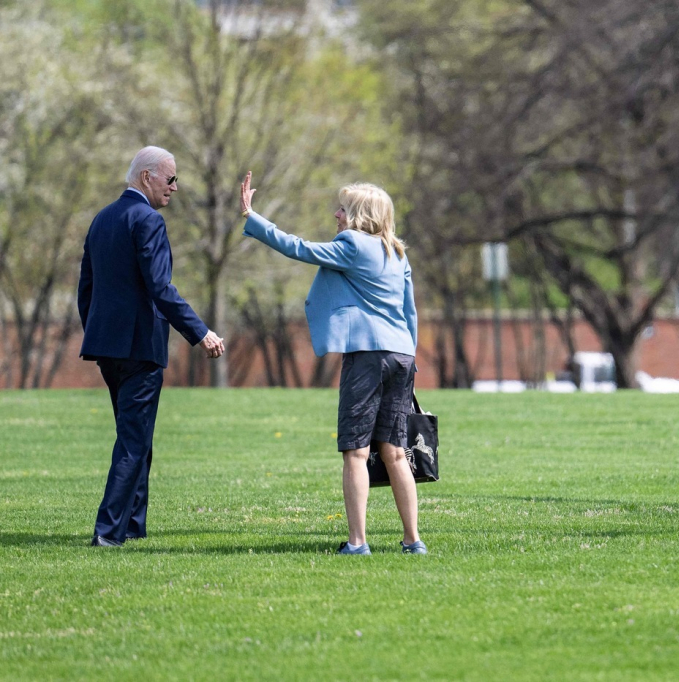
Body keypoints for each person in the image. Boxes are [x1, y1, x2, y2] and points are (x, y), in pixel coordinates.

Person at [238, 172, 425, 555]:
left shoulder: (353, 245)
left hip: (368, 356)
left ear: (358, 214)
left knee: (356, 451)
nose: (336, 214)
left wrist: (253, 217)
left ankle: (358, 542)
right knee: (394, 451)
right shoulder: (397, 252)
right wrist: (409, 360)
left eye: (342, 208)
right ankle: (412, 541)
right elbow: (411, 312)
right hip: (402, 355)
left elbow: (299, 249)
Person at [78, 146, 225, 547]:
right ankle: (108, 533)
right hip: (140, 347)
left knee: (137, 436)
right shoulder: (148, 221)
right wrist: (201, 332)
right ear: (147, 177)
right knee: (133, 439)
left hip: (108, 348)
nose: (175, 187)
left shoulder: (102, 219)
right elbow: (161, 288)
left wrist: (97, 331)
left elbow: (86, 289)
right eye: (171, 178)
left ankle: (133, 525)